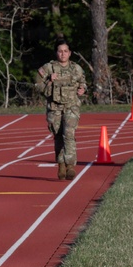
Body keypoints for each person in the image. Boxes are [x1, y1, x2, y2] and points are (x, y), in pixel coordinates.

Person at [37, 39, 87, 180]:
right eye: (60, 51)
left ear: (70, 53)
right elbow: (37, 85)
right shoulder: (48, 68)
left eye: (65, 51)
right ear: (56, 53)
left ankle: (70, 165)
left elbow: (83, 83)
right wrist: (49, 81)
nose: (63, 54)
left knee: (69, 134)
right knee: (58, 136)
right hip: (54, 107)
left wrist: (83, 89)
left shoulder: (76, 68)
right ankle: (61, 164)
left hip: (72, 106)